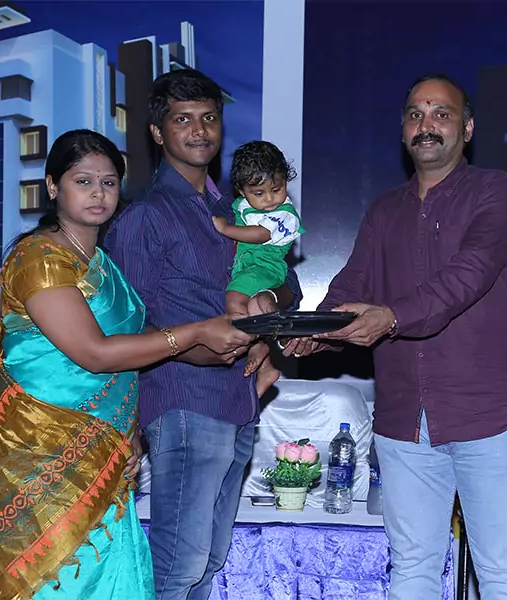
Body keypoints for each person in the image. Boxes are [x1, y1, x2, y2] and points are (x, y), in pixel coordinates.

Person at [284, 74, 507, 600]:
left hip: (489, 415)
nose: (427, 125)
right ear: (403, 130)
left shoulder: (495, 192)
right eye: (415, 115)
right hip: (404, 419)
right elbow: (351, 285)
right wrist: (316, 333)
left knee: (501, 572)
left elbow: (468, 275)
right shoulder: (385, 210)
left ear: (467, 128)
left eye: (441, 114)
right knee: (412, 568)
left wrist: (391, 318)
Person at [0, 129, 251, 600]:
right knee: (63, 583)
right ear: (52, 186)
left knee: (115, 579)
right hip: (44, 452)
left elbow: (138, 344)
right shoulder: (38, 259)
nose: (98, 193)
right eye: (83, 181)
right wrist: (196, 332)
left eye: (108, 182)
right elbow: (95, 352)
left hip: (107, 446)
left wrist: (134, 429)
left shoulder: (104, 264)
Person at [104, 68, 301, 600]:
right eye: (183, 119)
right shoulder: (144, 217)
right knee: (179, 564)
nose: (199, 130)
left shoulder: (236, 209)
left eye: (209, 117)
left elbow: (290, 281)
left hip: (241, 400)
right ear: (157, 132)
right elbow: (125, 328)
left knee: (210, 562)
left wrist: (268, 310)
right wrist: (194, 348)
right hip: (183, 401)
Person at [212, 140, 304, 398]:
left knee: (234, 300)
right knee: (254, 307)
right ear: (242, 191)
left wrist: (225, 229)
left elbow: (260, 234)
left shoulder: (284, 214)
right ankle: (264, 356)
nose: (270, 199)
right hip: (250, 266)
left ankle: (254, 344)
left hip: (264, 265)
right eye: (259, 193)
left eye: (276, 189)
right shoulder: (240, 205)